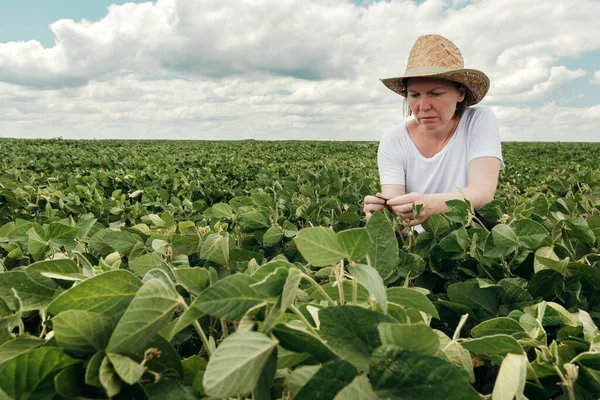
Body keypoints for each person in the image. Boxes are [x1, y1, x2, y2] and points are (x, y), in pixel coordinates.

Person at [363, 34, 504, 231]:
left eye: (435, 94)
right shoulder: (393, 140)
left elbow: (482, 192)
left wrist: (430, 205)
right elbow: (399, 223)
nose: (423, 106)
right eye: (414, 95)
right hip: (419, 243)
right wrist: (382, 217)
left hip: (465, 234)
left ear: (461, 93)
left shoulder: (478, 119)